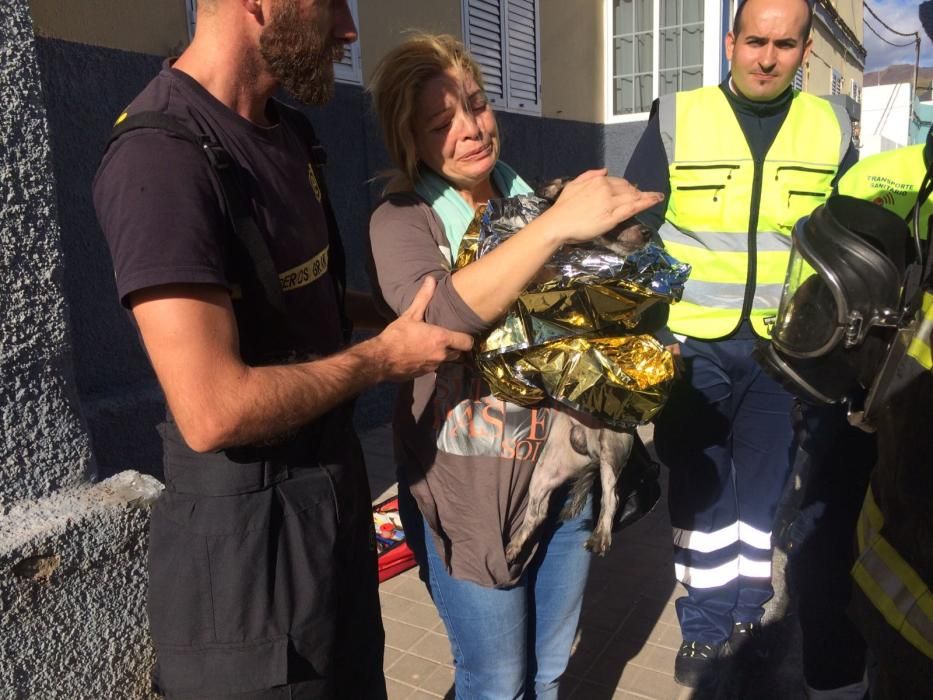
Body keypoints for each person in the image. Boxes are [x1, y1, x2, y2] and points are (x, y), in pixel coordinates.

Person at [92, 2, 474, 698]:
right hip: (248, 561)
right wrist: (383, 359)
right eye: (331, 4)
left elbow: (309, 305)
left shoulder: (288, 132)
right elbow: (212, 411)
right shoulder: (161, 160)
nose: (349, 30)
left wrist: (398, 314)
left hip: (330, 502)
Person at [366, 33, 662, 700]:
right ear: (410, 138)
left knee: (549, 669)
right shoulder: (404, 220)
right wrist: (555, 230)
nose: (470, 130)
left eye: (476, 104)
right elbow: (439, 321)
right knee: (496, 681)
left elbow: (595, 308)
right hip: (468, 498)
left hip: (562, 482)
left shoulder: (524, 197)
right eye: (442, 122)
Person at [622, 0, 857, 686]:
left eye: (783, 45)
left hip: (779, 354)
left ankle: (749, 612)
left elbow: (840, 239)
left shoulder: (830, 125)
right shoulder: (677, 115)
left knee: (759, 497)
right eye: (754, 41)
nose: (765, 58)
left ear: (805, 50)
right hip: (691, 349)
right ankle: (702, 625)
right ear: (729, 42)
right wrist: (646, 330)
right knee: (699, 489)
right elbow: (636, 232)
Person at [779, 132, 933, 700]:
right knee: (825, 552)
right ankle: (832, 684)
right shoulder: (875, 173)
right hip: (853, 409)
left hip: (916, 425)